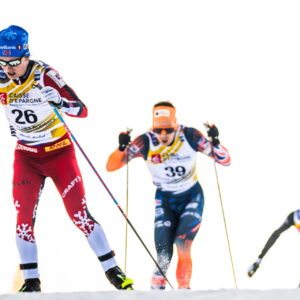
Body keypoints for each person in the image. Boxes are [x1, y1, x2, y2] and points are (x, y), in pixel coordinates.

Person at [0, 25, 133, 292]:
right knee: (23, 217)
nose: (9, 69)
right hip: (26, 156)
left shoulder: (44, 75)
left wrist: (59, 101)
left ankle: (114, 272)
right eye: (2, 62)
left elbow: (81, 109)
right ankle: (31, 282)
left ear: (26, 56)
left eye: (14, 62)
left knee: (78, 214)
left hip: (59, 152)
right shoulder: (1, 76)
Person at [106, 101, 231, 289]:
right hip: (165, 200)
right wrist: (121, 147)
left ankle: (183, 291)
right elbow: (111, 167)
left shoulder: (189, 135)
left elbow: (225, 161)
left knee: (183, 243)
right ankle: (157, 292)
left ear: (176, 125)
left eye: (168, 130)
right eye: (159, 130)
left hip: (191, 197)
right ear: (153, 128)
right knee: (163, 254)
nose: (163, 134)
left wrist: (216, 142)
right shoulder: (146, 141)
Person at [248, 210, 300, 279]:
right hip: (293, 217)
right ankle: (258, 261)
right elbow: (275, 235)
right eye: (298, 227)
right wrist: (258, 260)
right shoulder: (293, 217)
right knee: (276, 234)